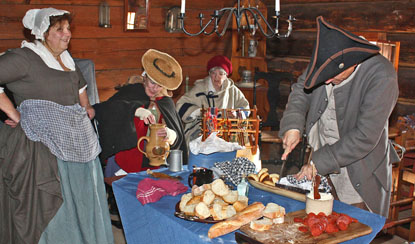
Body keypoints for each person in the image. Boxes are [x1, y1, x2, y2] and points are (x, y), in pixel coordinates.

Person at [0, 8, 113, 244]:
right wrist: (14, 113)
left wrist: (87, 108)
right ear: (43, 33)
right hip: (42, 145)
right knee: (56, 205)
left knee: (83, 200)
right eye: (59, 29)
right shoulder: (25, 58)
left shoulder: (66, 59)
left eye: (68, 28)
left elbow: (80, 88)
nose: (67, 34)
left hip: (78, 141)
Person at [279, 16, 399, 217]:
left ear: (352, 63)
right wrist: (293, 126)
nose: (325, 82)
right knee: (316, 221)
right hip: (320, 157)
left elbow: (364, 136)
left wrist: (317, 162)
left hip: (359, 168)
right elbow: (301, 90)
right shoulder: (327, 56)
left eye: (333, 77)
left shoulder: (382, 76)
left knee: (351, 225)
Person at [94, 49, 188, 175]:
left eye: (160, 85)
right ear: (145, 77)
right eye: (153, 82)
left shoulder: (166, 102)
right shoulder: (130, 92)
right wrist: (134, 110)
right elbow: (102, 110)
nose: (155, 89)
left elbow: (178, 138)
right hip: (124, 163)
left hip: (156, 165)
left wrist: (170, 135)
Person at [176, 55, 249, 144]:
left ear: (226, 75)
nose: (217, 77)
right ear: (209, 74)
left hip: (227, 130)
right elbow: (180, 105)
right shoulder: (200, 88)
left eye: (221, 74)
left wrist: (236, 113)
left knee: (237, 143)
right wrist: (200, 112)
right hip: (201, 129)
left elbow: (245, 108)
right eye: (213, 73)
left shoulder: (232, 90)